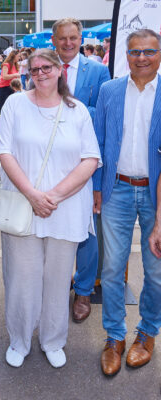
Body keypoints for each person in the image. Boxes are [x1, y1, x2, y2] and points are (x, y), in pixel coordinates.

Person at [0, 49, 100, 369]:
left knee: (57, 279)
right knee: (22, 278)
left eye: (46, 68)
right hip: (24, 206)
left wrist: (52, 196)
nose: (40, 73)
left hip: (64, 208)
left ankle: (53, 340)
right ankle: (20, 340)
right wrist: (33, 195)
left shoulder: (77, 110)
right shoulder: (15, 103)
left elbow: (90, 159)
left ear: (59, 71)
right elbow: (4, 152)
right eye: (34, 69)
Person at [93, 29, 161, 376]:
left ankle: (147, 334)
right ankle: (115, 337)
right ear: (126, 54)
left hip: (157, 193)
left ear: (160, 54)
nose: (142, 58)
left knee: (157, 272)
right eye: (135, 51)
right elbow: (98, 142)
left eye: (149, 51)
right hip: (116, 189)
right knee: (111, 268)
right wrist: (96, 188)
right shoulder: (109, 90)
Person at [51, 17, 111, 323]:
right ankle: (57, 287)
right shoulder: (42, 67)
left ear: (81, 38)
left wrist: (67, 106)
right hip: (50, 167)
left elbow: (103, 120)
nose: (68, 43)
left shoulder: (99, 71)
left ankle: (84, 291)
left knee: (87, 233)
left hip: (86, 167)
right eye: (62, 38)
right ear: (54, 40)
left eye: (73, 37)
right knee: (55, 231)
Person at [0, 50, 20, 114]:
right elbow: (4, 76)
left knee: (11, 107)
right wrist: (15, 75)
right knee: (3, 107)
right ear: (14, 56)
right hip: (4, 88)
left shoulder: (15, 65)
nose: (19, 58)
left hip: (12, 88)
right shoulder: (6, 64)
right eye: (18, 56)